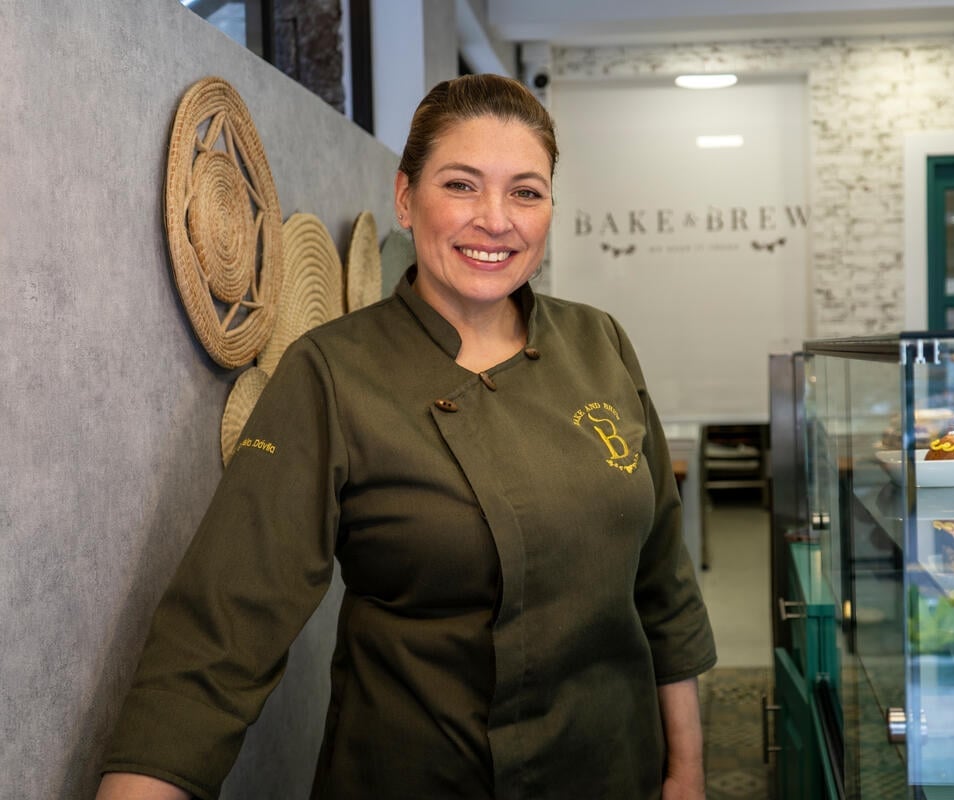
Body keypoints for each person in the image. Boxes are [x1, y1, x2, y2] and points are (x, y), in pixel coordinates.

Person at [96, 74, 716, 800]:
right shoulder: (332, 374)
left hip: (611, 766)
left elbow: (663, 582)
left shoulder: (598, 342)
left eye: (526, 191)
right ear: (404, 197)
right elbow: (222, 629)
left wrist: (686, 771)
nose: (496, 219)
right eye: (461, 185)